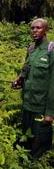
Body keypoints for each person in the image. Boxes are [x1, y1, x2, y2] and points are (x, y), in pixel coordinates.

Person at [12, 18, 54, 158]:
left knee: (39, 144)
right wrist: (19, 80)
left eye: (38, 28)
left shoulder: (51, 51)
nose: (34, 31)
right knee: (24, 138)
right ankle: (23, 164)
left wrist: (50, 112)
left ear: (46, 30)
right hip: (27, 103)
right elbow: (26, 68)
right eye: (32, 28)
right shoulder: (31, 48)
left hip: (40, 107)